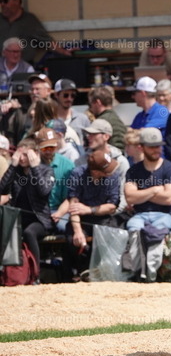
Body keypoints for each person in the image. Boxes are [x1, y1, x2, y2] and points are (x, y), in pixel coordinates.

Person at [59, 148, 120, 282]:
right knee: (73, 238)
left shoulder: (113, 176)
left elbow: (112, 206)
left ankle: (104, 272)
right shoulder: (78, 174)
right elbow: (73, 205)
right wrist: (78, 231)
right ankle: (79, 272)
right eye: (107, 170)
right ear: (96, 171)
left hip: (103, 216)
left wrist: (89, 209)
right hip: (81, 218)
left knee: (110, 234)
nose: (111, 171)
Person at [0, 137, 54, 276]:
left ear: (35, 153)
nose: (22, 158)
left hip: (39, 220)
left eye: (25, 154)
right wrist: (12, 166)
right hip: (17, 218)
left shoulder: (46, 170)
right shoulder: (16, 171)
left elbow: (43, 191)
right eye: (20, 154)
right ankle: (7, 274)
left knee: (29, 233)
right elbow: (2, 189)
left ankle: (36, 274)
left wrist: (35, 168)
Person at [124, 127, 171, 232]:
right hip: (139, 216)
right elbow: (130, 198)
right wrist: (155, 190)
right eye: (151, 147)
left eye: (158, 146)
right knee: (133, 229)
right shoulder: (133, 171)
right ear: (141, 148)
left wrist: (140, 194)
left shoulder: (170, 168)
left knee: (157, 233)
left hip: (164, 215)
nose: (156, 150)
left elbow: (169, 199)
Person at [0, 0, 71, 65]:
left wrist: (63, 52)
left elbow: (47, 41)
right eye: (0, 1)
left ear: (17, 1)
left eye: (5, 1)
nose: (2, 4)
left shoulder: (30, 20)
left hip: (24, 67)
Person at [77, 119, 130, 216]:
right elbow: (75, 192)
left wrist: (110, 212)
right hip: (84, 214)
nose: (89, 137)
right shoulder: (81, 161)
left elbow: (123, 195)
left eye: (94, 134)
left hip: (112, 214)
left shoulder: (121, 162)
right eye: (88, 134)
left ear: (106, 136)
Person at [35, 126, 74, 233]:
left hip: (59, 209)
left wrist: (60, 213)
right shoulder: (33, 164)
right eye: (44, 148)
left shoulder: (67, 165)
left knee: (63, 226)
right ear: (38, 147)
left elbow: (71, 196)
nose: (48, 151)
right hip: (38, 210)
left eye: (51, 148)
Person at [87, 86, 126, 151]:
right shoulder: (116, 119)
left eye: (90, 104)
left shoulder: (102, 121)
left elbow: (119, 147)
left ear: (98, 102)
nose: (90, 108)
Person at [52, 78, 90, 144]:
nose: (69, 99)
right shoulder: (50, 119)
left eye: (73, 95)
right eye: (65, 95)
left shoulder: (82, 118)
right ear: (56, 95)